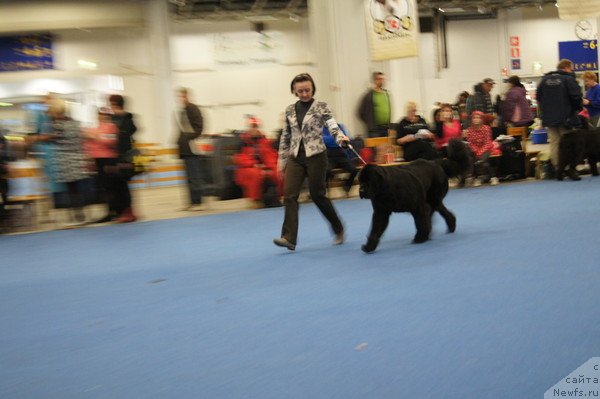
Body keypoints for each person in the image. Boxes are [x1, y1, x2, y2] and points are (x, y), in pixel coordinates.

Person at [274, 73, 349, 251]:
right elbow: (286, 136)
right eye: (300, 91)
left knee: (318, 196)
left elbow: (332, 126)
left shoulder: (321, 107)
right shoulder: (290, 110)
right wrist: (281, 162)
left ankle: (338, 228)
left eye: (307, 90)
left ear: (312, 88)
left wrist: (341, 139)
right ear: (294, 90)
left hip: (317, 156)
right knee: (290, 196)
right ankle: (289, 238)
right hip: (295, 158)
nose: (304, 94)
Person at [36, 98, 90, 224]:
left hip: (66, 160)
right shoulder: (76, 123)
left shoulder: (58, 125)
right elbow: (81, 139)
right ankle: (80, 214)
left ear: (56, 112)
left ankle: (76, 216)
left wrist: (39, 138)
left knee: (71, 189)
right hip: (78, 158)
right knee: (77, 188)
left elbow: (54, 138)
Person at [537, 59, 583, 179]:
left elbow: (538, 98)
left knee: (554, 143)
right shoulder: (568, 79)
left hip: (549, 118)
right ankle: (570, 168)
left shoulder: (544, 80)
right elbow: (576, 96)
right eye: (571, 68)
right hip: (566, 118)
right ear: (567, 67)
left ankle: (558, 169)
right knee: (569, 144)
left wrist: (544, 115)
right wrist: (577, 109)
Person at [233, 117, 281, 208]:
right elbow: (239, 158)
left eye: (256, 126)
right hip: (248, 167)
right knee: (255, 174)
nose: (254, 129)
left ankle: (279, 196)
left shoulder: (265, 141)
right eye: (252, 126)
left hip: (264, 166)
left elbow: (272, 155)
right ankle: (255, 200)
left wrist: (268, 167)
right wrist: (255, 165)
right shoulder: (242, 142)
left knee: (278, 171)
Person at [84, 108, 119, 223]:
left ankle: (113, 211)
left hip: (108, 159)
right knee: (102, 188)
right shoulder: (95, 128)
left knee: (109, 186)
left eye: (104, 115)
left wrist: (96, 137)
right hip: (97, 160)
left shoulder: (111, 127)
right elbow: (88, 144)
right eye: (99, 115)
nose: (101, 117)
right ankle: (108, 211)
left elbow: (111, 142)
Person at [109, 94, 138, 222]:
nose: (110, 106)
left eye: (111, 104)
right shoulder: (113, 118)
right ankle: (121, 211)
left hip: (124, 156)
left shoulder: (126, 118)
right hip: (114, 156)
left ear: (115, 104)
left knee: (123, 184)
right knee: (117, 185)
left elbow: (128, 134)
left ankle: (129, 212)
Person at [175, 87, 205, 211]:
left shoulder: (193, 109)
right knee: (188, 178)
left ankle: (198, 202)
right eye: (179, 97)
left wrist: (188, 138)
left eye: (182, 96)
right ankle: (192, 202)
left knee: (195, 176)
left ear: (187, 96)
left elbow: (199, 128)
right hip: (185, 149)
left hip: (192, 148)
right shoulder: (182, 111)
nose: (180, 99)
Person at [465, 111, 500, 186]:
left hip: (486, 148)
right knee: (472, 160)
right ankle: (477, 178)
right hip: (475, 149)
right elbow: (470, 142)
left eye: (478, 118)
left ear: (482, 119)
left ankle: (493, 177)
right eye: (474, 118)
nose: (476, 119)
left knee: (482, 160)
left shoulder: (486, 128)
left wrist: (480, 152)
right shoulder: (470, 130)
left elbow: (487, 142)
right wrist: (476, 151)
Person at [323, 123, 358, 196]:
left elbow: (345, 137)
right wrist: (336, 138)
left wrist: (333, 139)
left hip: (341, 155)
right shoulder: (321, 129)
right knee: (326, 171)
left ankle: (346, 186)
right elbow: (324, 140)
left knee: (354, 170)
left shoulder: (339, 126)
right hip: (329, 156)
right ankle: (325, 192)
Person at [357, 71, 392, 138]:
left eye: (383, 79)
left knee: (386, 148)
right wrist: (370, 124)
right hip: (374, 130)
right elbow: (360, 113)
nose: (382, 81)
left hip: (386, 128)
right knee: (375, 148)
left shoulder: (386, 94)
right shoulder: (369, 95)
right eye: (380, 79)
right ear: (375, 80)